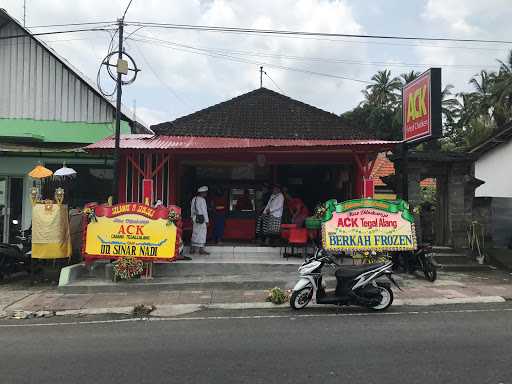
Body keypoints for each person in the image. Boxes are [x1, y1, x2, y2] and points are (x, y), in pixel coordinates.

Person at [190, 186, 209, 255]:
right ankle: (201, 250)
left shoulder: (194, 199)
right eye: (205, 192)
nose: (206, 194)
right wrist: (207, 221)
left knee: (195, 232)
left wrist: (192, 218)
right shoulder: (202, 200)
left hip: (195, 218)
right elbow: (204, 211)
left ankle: (192, 249)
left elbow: (191, 209)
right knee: (202, 233)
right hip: (201, 218)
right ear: (202, 193)